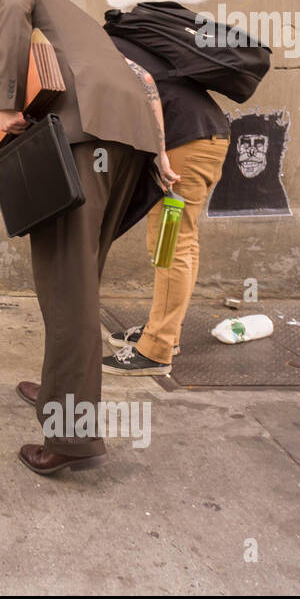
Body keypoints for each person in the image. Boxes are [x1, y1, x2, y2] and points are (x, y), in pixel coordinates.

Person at [0, 0, 179, 475]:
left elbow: (8, 15)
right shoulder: (83, 26)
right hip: (126, 142)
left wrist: (3, 101)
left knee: (68, 289)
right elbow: (144, 80)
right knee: (77, 281)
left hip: (81, 139)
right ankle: (56, 390)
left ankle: (71, 435)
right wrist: (160, 151)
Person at [102, 33, 230, 376]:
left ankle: (157, 349)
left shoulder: (103, 47)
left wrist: (159, 155)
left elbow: (145, 83)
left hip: (186, 146)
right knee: (177, 242)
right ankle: (164, 334)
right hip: (203, 136)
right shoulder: (125, 43)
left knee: (171, 244)